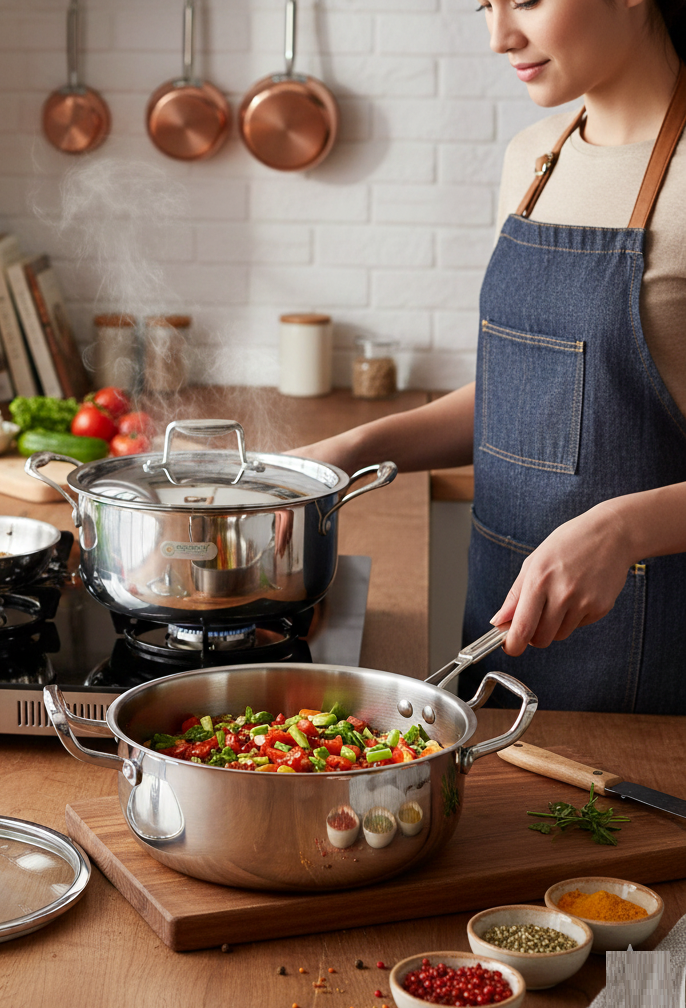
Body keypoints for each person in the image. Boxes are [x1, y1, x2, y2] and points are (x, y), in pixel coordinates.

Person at [294, 0, 686, 714]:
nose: (501, 36)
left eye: (527, 1)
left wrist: (624, 529)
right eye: (485, 5)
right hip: (500, 648)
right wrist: (349, 450)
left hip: (653, 686)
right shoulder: (535, 157)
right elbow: (537, 392)